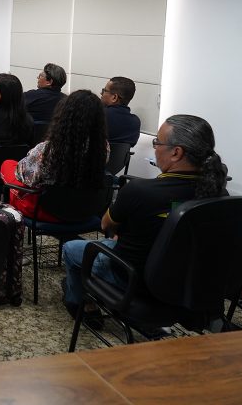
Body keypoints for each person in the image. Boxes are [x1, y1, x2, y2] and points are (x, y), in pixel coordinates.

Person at [61, 114, 229, 317]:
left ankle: (81, 305)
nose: (155, 148)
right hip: (187, 286)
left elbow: (106, 225)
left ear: (176, 152)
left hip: (134, 280)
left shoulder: (140, 191)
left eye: (157, 142)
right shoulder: (220, 195)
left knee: (71, 249)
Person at [1, 90, 108, 222]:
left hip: (47, 211)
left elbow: (24, 177)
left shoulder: (47, 150)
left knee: (8, 164)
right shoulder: (103, 148)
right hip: (86, 210)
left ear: (64, 116)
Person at [101, 76, 141, 146]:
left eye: (104, 90)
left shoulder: (99, 115)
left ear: (114, 97)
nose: (101, 93)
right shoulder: (135, 122)